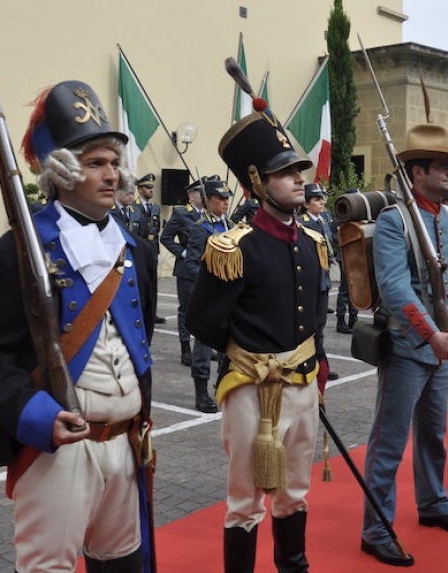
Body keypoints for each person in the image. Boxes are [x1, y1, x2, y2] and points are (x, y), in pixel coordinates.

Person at [0, 80, 155, 572]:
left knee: (123, 564)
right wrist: (34, 415)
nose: (112, 174)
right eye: (96, 163)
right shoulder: (12, 255)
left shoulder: (135, 250)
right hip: (60, 451)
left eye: (114, 162)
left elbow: (140, 342)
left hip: (126, 443)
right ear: (61, 170)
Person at [185, 101, 329, 573]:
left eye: (298, 170)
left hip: (303, 385)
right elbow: (202, 320)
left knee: (295, 492)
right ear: (257, 183)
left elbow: (316, 316)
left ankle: (294, 566)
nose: (298, 179)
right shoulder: (235, 247)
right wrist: (250, 355)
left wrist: (314, 368)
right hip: (251, 388)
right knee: (245, 501)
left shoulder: (311, 241)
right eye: (285, 172)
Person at [361, 123, 448, 568]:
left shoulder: (446, 216)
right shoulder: (395, 220)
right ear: (417, 172)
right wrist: (431, 333)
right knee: (388, 443)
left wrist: (444, 332)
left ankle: (433, 503)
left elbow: (447, 283)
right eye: (442, 166)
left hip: (440, 342)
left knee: (434, 435)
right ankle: (376, 529)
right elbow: (394, 287)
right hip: (410, 343)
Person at [184, 176, 233, 413]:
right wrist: (209, 283)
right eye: (220, 199)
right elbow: (191, 264)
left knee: (228, 347)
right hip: (208, 298)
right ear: (208, 201)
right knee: (203, 347)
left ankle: (223, 386)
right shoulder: (200, 228)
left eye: (227, 199)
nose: (225, 203)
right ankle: (201, 393)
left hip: (229, 299)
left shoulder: (232, 227)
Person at [298, 183, 340, 380]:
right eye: (316, 199)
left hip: (322, 281)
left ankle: (319, 362)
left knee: (320, 325)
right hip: (309, 282)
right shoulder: (302, 223)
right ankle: (307, 362)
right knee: (307, 324)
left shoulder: (323, 220)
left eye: (322, 198)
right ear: (306, 204)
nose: (322, 201)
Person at [160, 180, 205, 366]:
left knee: (205, 310)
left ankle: (204, 349)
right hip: (186, 268)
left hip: (206, 267)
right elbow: (166, 237)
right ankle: (185, 350)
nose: (204, 196)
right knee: (186, 310)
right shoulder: (181, 213)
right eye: (200, 193)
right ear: (191, 195)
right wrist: (184, 253)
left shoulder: (209, 214)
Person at [135, 173, 166, 324]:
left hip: (152, 247)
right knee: (140, 281)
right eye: (147, 187)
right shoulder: (134, 207)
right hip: (140, 247)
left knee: (152, 283)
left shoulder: (155, 208)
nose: (151, 190)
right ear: (140, 189)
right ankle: (139, 311)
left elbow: (156, 228)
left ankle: (152, 312)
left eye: (152, 187)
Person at [334, 189, 359, 334]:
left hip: (356, 257)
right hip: (344, 257)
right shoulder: (341, 218)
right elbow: (335, 237)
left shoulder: (356, 217)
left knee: (355, 290)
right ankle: (341, 320)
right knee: (345, 291)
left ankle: (353, 318)